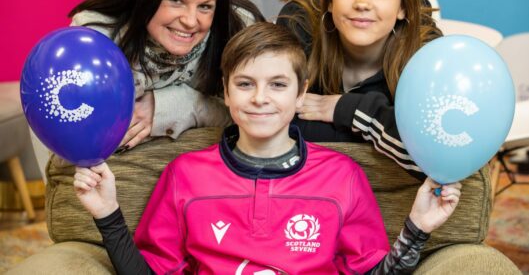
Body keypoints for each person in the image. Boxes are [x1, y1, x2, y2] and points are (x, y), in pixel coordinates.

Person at [74, 22, 461, 274]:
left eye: (277, 84)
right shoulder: (184, 175)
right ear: (225, 92)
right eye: (245, 84)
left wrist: (417, 229)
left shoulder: (342, 176)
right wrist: (107, 214)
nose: (260, 98)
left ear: (301, 94)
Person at [69, 0, 264, 150]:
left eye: (205, 6)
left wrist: (180, 104)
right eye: (176, 1)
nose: (190, 21)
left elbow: (263, 113)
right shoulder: (94, 38)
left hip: (204, 166)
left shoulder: (237, 26)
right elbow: (74, 131)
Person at [276, 0, 442, 179]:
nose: (362, 2)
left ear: (403, 7)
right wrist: (384, 129)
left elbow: (432, 156)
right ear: (330, 0)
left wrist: (350, 110)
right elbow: (269, 125)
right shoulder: (299, 27)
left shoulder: (424, 51)